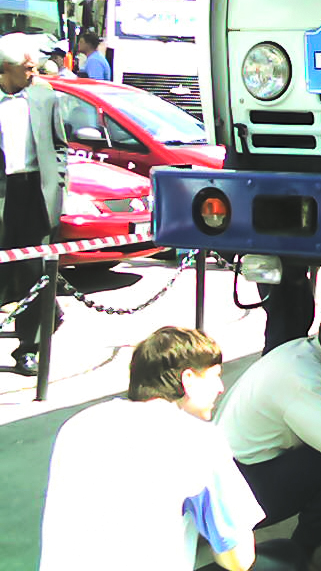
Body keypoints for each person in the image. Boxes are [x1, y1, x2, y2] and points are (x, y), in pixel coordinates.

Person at [39, 326, 267, 571]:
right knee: (281, 556)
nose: (220, 387)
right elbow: (237, 559)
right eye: (215, 375)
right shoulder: (198, 439)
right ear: (188, 379)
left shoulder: (77, 425)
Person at [216, 300, 321, 564]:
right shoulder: (304, 380)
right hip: (234, 489)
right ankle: (300, 553)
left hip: (227, 470)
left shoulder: (299, 352)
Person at [0, 33, 67, 375]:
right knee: (8, 268)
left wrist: (59, 188)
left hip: (35, 191)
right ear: (5, 69)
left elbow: (60, 146)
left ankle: (30, 347)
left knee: (33, 270)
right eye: (27, 68)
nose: (34, 72)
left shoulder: (44, 95)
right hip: (5, 189)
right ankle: (50, 311)